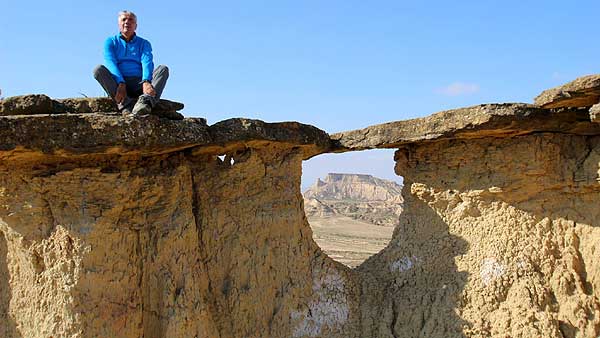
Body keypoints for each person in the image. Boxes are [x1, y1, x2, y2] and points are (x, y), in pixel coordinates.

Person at [93, 10, 169, 116]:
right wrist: (121, 82)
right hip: (119, 84)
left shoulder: (144, 43)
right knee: (98, 70)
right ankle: (125, 106)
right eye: (124, 19)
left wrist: (146, 81)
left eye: (131, 20)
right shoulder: (110, 41)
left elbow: (147, 61)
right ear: (119, 24)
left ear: (135, 26)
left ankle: (145, 102)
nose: (127, 22)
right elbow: (110, 62)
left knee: (163, 69)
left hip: (140, 83)